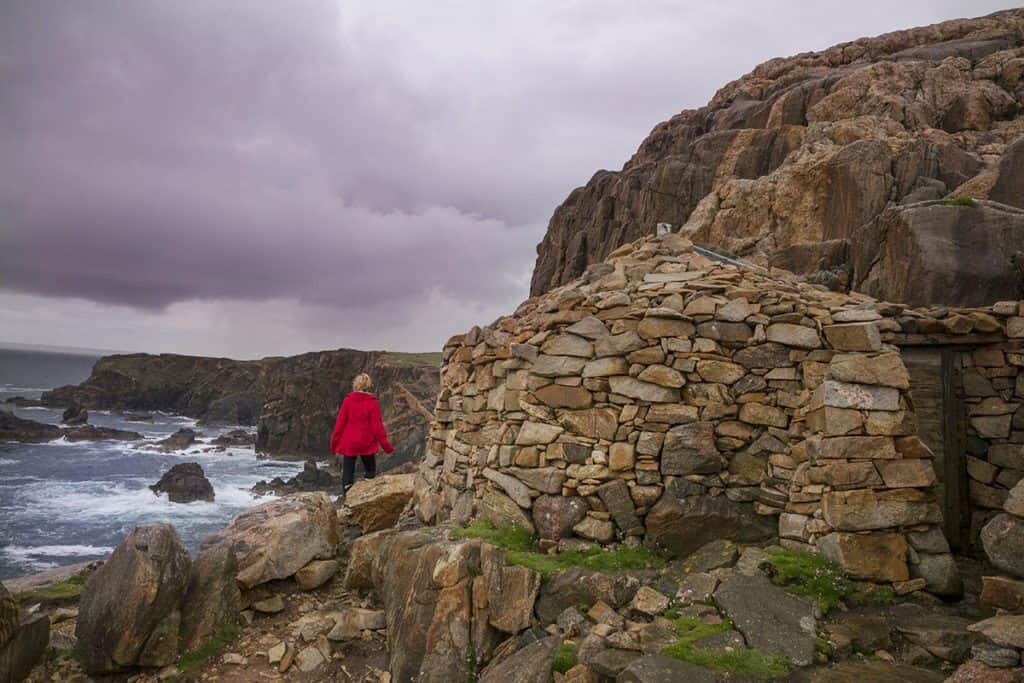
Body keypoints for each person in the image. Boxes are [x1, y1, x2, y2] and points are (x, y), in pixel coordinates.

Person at [329, 373, 394, 494]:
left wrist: (333, 445)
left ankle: (347, 498)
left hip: (350, 442)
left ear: (355, 385)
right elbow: (377, 427)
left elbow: (339, 425)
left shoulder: (348, 400)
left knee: (348, 473)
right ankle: (367, 495)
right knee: (370, 471)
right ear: (368, 385)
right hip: (366, 442)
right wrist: (386, 446)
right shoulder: (372, 402)